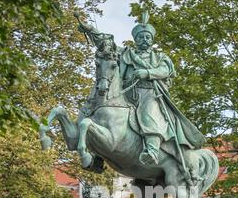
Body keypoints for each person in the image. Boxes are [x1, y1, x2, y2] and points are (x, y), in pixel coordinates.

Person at [75, 12, 206, 167]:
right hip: (126, 94)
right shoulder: (126, 53)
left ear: (152, 40)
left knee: (148, 113)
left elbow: (165, 70)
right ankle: (98, 154)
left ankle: (152, 151)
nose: (144, 40)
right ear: (135, 39)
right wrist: (90, 29)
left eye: (147, 37)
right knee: (102, 111)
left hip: (149, 93)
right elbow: (106, 43)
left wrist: (147, 73)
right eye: (141, 37)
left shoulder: (160, 57)